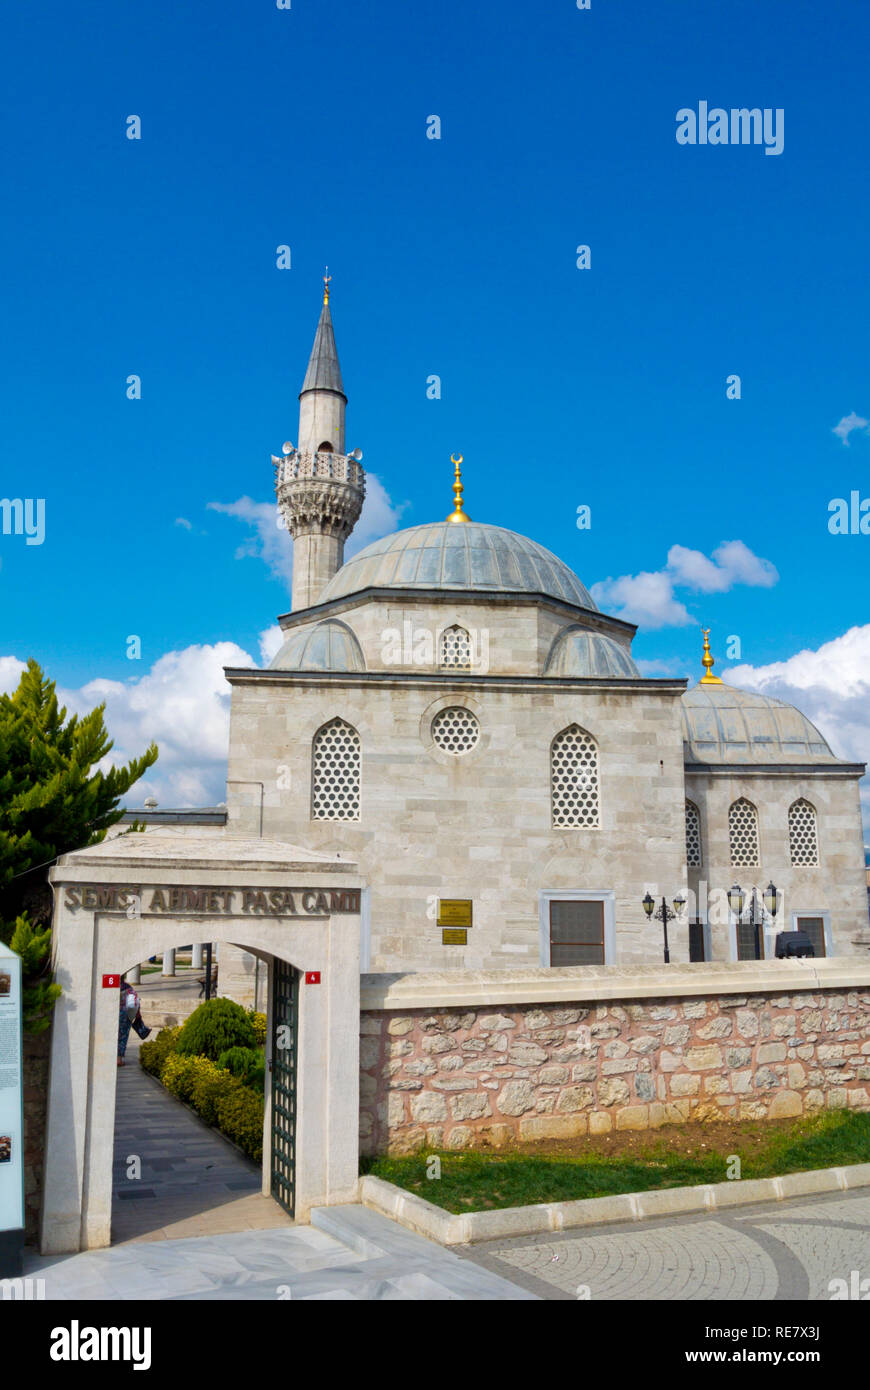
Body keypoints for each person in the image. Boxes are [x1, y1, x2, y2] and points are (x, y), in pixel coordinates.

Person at [117, 976, 152, 1066]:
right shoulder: (127, 988)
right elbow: (134, 1002)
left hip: (111, 1014)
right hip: (125, 1016)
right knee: (122, 1037)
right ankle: (119, 1059)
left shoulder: (108, 987)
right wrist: (137, 1014)